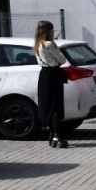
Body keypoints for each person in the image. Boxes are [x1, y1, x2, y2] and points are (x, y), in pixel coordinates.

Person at [32, 20, 69, 149]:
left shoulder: (37, 44)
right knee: (56, 106)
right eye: (52, 30)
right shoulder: (49, 44)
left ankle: (52, 133)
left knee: (47, 105)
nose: (53, 32)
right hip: (53, 74)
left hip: (44, 75)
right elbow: (62, 59)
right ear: (48, 31)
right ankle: (58, 135)